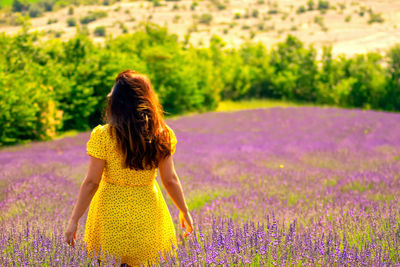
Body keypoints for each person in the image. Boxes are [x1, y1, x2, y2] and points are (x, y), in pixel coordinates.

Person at [64, 70, 194, 266]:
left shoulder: (104, 135)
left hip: (110, 214)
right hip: (147, 213)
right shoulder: (162, 134)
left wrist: (74, 220)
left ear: (117, 101)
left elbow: (91, 182)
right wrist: (184, 210)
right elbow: (170, 180)